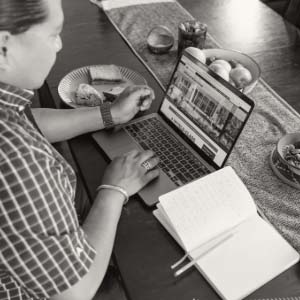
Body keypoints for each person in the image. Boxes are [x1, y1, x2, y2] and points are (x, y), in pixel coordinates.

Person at [0, 0, 160, 299]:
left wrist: (110, 114)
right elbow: (74, 290)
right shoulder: (13, 158)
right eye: (52, 34)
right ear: (3, 47)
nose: (59, 45)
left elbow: (26, 121)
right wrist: (114, 189)